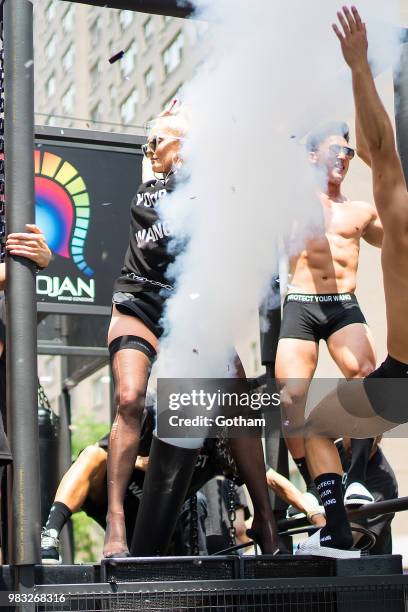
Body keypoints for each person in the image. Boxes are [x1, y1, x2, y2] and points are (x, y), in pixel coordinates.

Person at [104, 105, 278, 557]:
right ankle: (117, 520)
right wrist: (167, 133)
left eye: (156, 141)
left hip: (187, 302)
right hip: (138, 299)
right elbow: (164, 150)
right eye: (149, 144)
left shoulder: (206, 181)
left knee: (239, 395)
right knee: (129, 398)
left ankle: (265, 519)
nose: (150, 149)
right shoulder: (149, 182)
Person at [298, 5, 408, 558]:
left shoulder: (394, 210)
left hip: (403, 378)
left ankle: (342, 515)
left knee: (313, 425)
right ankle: (356, 487)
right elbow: (378, 149)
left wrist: (359, 65)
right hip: (383, 363)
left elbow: (381, 151)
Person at [41, 408, 325, 563]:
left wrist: (314, 512)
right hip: (118, 498)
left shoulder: (220, 447)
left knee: (196, 503)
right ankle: (50, 534)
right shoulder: (155, 415)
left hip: (158, 516)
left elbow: (270, 478)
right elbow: (110, 450)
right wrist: (141, 463)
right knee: (92, 454)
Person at [276, 114, 384, 510]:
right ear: (312, 154)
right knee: (289, 397)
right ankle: (312, 487)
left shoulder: (361, 212)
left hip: (342, 305)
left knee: (366, 379)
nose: (344, 156)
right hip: (301, 304)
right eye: (335, 149)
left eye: (349, 151)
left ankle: (355, 479)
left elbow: (397, 241)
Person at [336, 438, 398, 556]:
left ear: (378, 438)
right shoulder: (336, 451)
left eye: (362, 436)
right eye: (348, 433)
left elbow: (353, 535)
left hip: (369, 567)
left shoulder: (383, 479)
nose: (352, 441)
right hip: (335, 557)